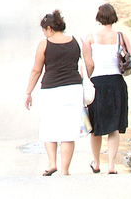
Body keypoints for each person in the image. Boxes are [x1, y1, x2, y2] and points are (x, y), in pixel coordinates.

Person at [24, 10, 86, 176]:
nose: (44, 34)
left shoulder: (44, 45)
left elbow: (36, 70)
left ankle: (52, 163)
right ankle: (65, 170)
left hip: (51, 90)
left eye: (44, 30)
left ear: (49, 28)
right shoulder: (75, 42)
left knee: (49, 126)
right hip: (73, 89)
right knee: (69, 131)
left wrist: (28, 92)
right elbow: (85, 64)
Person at [83, 3, 131, 174]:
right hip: (117, 82)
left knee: (95, 126)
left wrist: (87, 80)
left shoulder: (90, 38)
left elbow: (89, 64)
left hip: (98, 83)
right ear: (113, 17)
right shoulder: (121, 37)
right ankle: (111, 165)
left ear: (99, 17)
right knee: (113, 127)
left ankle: (96, 163)